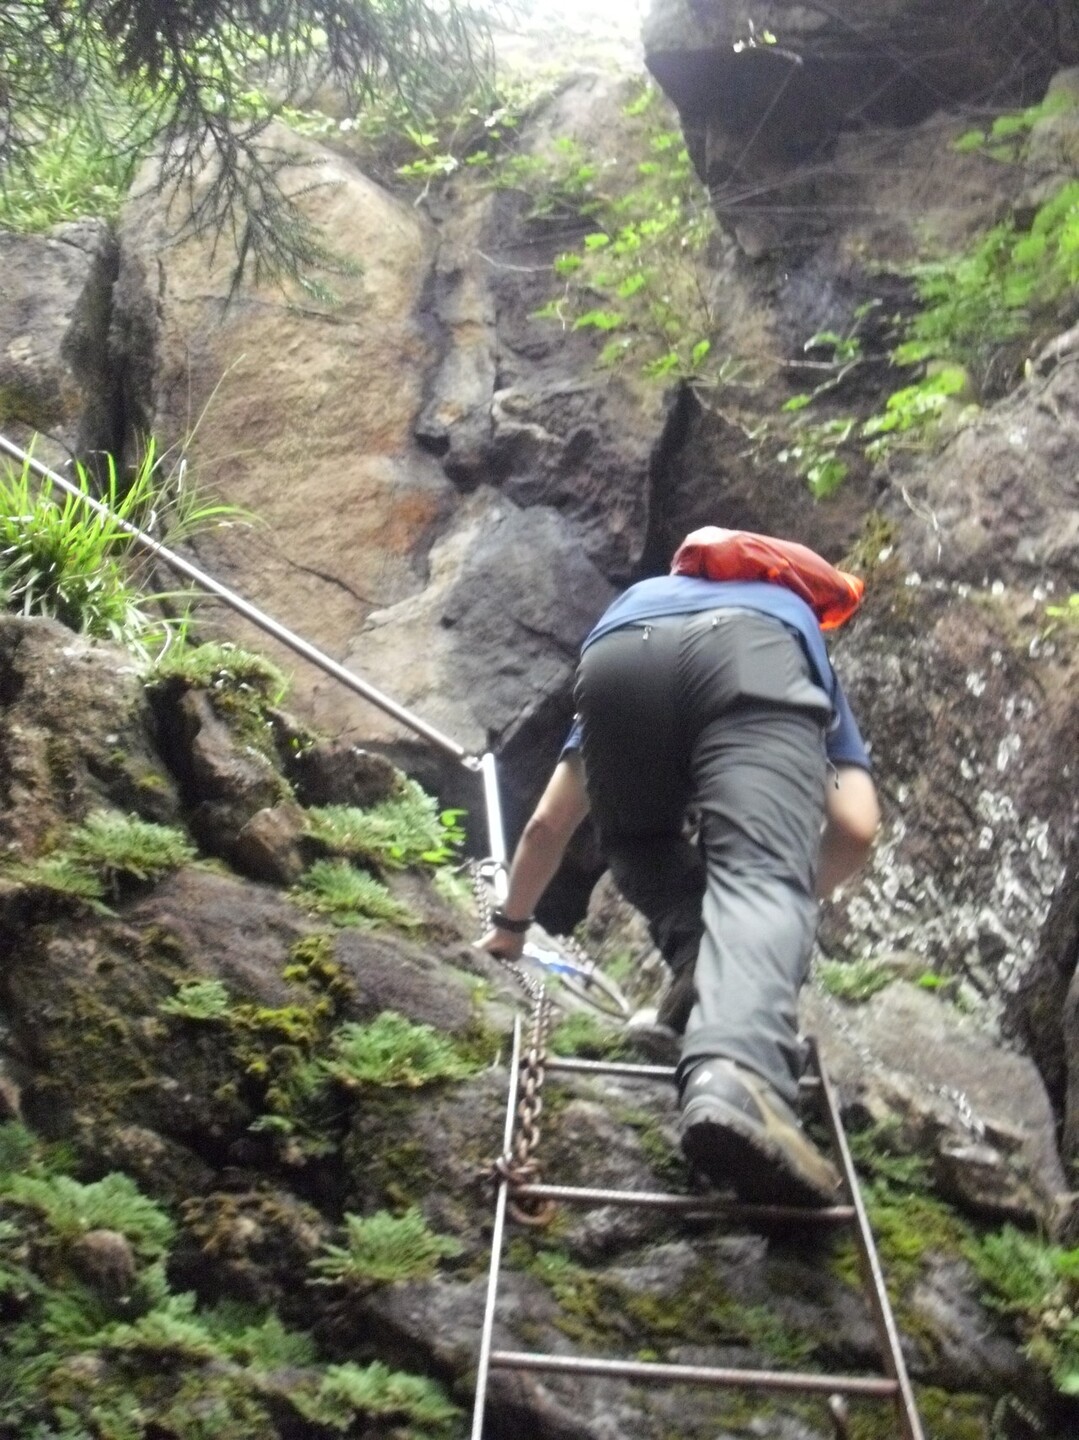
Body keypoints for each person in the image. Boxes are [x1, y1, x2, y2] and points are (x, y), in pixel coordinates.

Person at [478, 529, 880, 1208]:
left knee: (638, 842)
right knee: (758, 874)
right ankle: (738, 1078)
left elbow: (550, 822)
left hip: (615, 657)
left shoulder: (649, 602)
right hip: (750, 657)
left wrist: (510, 928)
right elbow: (854, 826)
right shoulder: (785, 622)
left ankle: (701, 973)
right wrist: (768, 900)